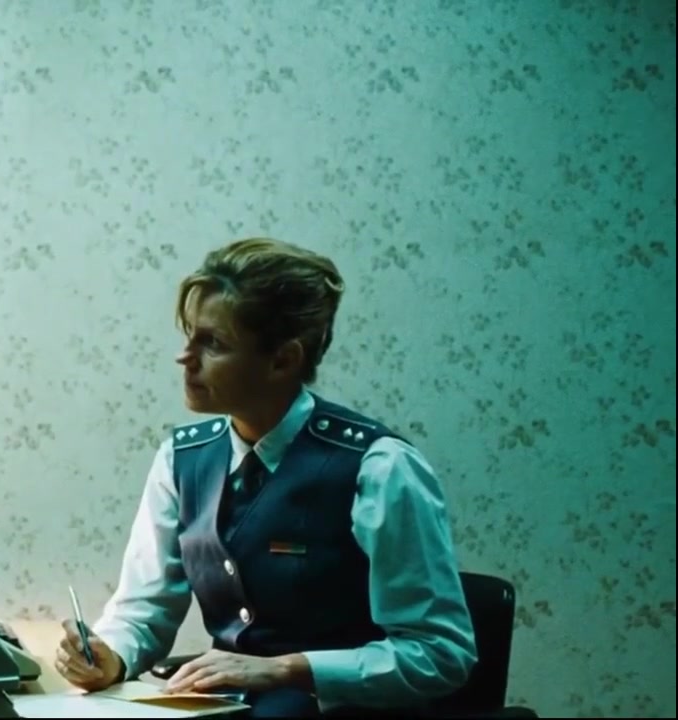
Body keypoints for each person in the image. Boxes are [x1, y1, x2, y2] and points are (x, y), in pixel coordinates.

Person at [53, 237, 478, 717]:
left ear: (283, 360)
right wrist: (109, 657)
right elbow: (143, 610)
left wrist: (287, 670)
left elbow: (441, 654)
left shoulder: (380, 467)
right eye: (189, 335)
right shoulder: (180, 457)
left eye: (213, 343)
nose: (185, 357)